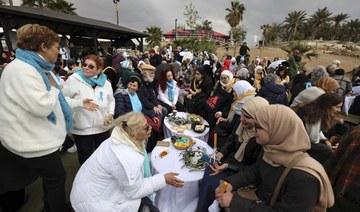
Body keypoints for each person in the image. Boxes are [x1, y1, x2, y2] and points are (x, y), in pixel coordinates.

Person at [0, 24, 73, 212]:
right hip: (32, 143)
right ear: (43, 46)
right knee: (56, 178)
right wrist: (55, 87)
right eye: (57, 47)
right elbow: (42, 106)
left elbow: (56, 101)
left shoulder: (40, 68)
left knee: (51, 178)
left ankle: (49, 206)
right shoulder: (21, 70)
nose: (59, 52)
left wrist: (80, 103)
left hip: (38, 137)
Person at [215, 105, 334, 211]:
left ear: (278, 129)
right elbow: (255, 170)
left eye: (259, 126)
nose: (254, 130)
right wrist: (230, 183)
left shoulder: (306, 178)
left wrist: (234, 202)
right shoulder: (271, 150)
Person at [70, 112, 184, 212]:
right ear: (134, 135)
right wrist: (163, 178)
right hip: (95, 203)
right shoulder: (126, 158)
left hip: (92, 190)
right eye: (146, 128)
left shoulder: (120, 137)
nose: (150, 127)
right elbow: (135, 191)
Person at [197, 97, 268, 211]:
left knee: (213, 183)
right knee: (207, 169)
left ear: (259, 119)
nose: (242, 119)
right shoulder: (240, 125)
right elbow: (230, 141)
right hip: (231, 162)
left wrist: (229, 166)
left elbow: (254, 169)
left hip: (241, 173)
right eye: (242, 114)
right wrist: (221, 153)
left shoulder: (261, 138)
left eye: (247, 117)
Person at [62, 54, 115, 165]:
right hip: (82, 129)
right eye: (85, 64)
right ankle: (85, 180)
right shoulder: (73, 79)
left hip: (102, 127)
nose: (86, 67)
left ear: (99, 69)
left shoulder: (106, 83)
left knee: (103, 155)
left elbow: (111, 100)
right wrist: (79, 103)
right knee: (85, 157)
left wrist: (110, 113)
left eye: (91, 66)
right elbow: (62, 99)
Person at [293, 93, 343, 163]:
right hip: (295, 141)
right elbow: (313, 139)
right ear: (328, 106)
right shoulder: (314, 115)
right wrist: (324, 142)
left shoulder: (315, 110)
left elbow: (318, 131)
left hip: (298, 139)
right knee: (326, 151)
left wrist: (324, 140)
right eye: (337, 107)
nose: (339, 110)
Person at [325, 126, 360, 212]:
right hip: (345, 195)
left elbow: (332, 161)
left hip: (340, 192)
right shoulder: (356, 132)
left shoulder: (356, 131)